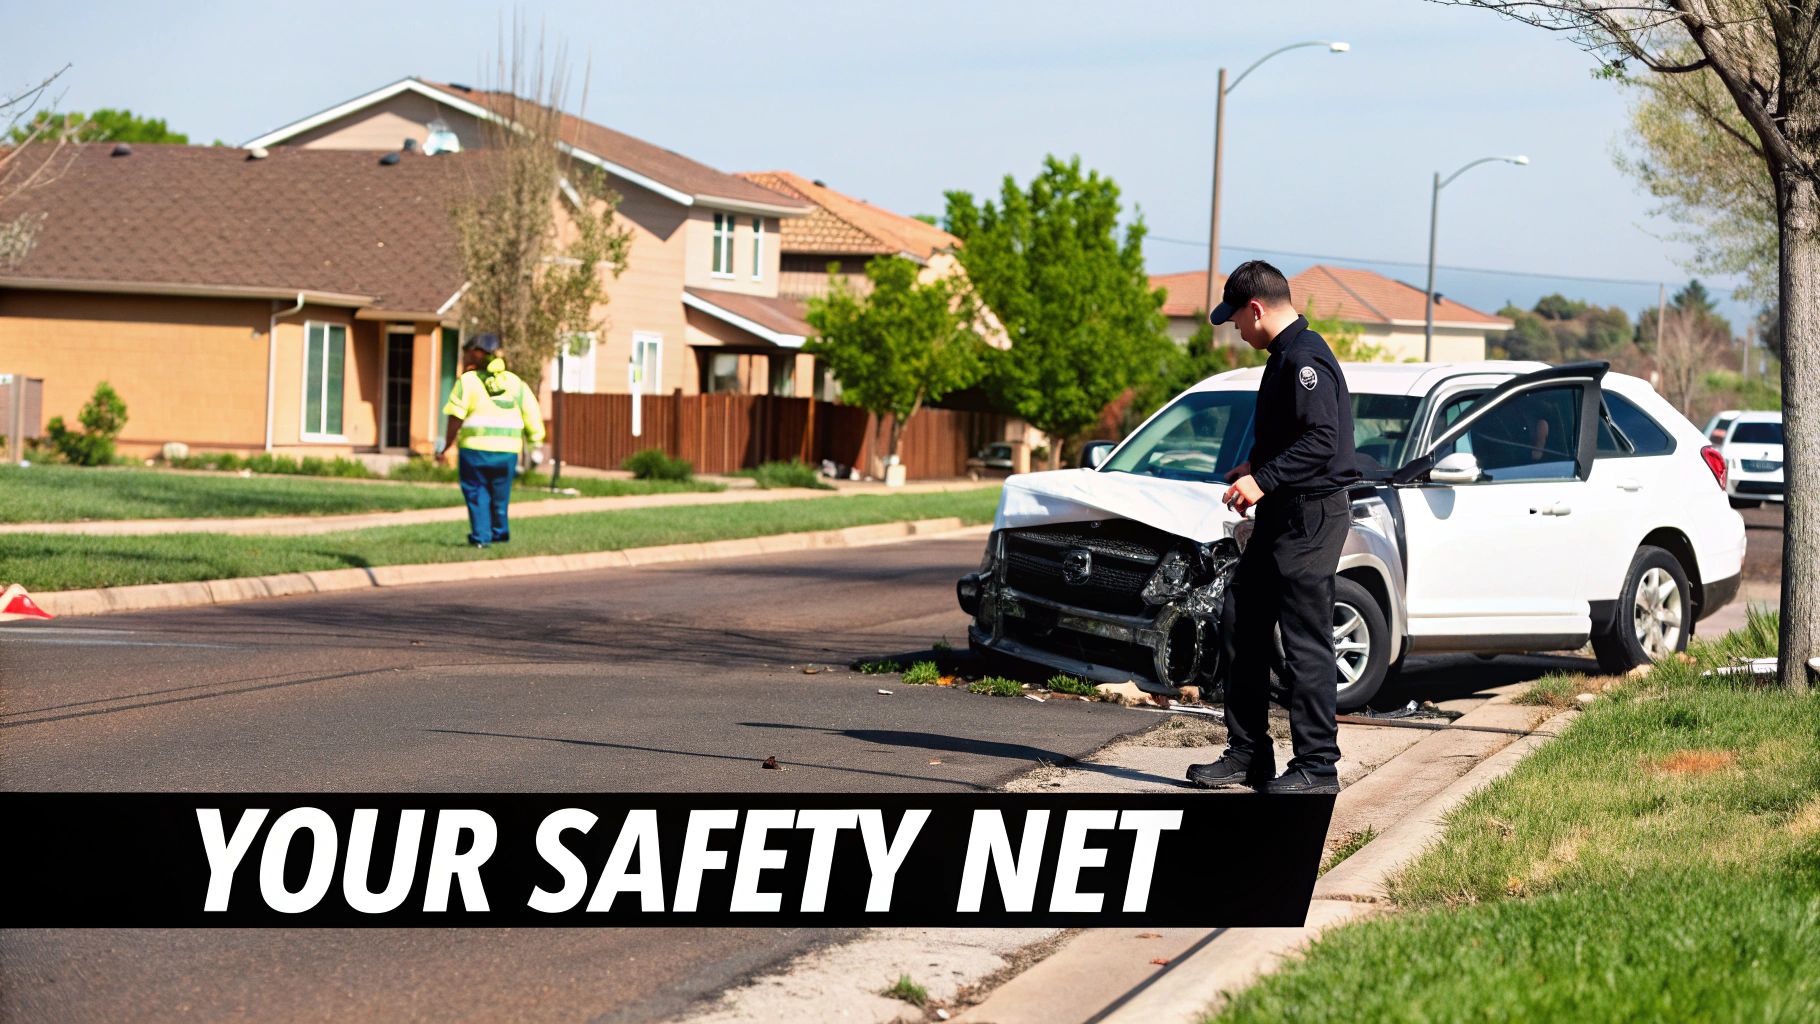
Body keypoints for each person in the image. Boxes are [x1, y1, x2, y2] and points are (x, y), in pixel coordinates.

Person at [1188, 261, 1360, 795]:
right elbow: (1295, 435)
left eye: (1236, 319)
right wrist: (1256, 466)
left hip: (1310, 516)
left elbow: (1322, 440)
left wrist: (1263, 479)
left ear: (1257, 308)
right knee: (1240, 620)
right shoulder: (1284, 355)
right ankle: (1249, 753)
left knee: (1305, 641)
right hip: (1284, 513)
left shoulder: (1304, 358)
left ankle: (1317, 767)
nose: (1236, 330)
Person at [440, 333, 545, 548]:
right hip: (507, 452)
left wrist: (446, 445)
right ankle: (499, 532)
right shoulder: (515, 383)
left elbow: (455, 417)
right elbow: (532, 414)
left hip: (475, 451)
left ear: (475, 353)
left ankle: (481, 537)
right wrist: (536, 442)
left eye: (466, 353)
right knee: (500, 494)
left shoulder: (468, 382)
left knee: (477, 492)